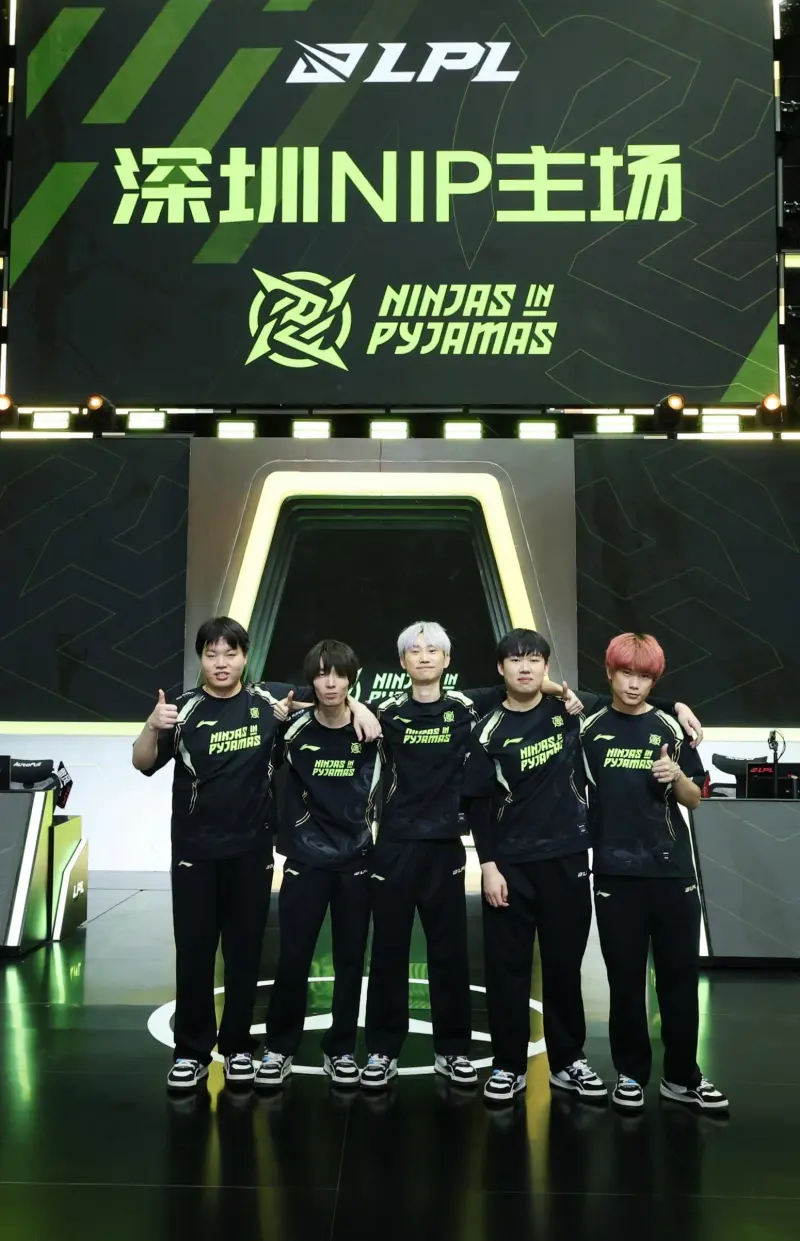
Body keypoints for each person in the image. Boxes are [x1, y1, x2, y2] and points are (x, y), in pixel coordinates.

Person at [132, 617, 377, 1092]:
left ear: (245, 657)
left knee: (244, 954)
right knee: (195, 953)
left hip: (252, 852)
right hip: (194, 853)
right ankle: (191, 1053)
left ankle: (238, 1048)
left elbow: (330, 692)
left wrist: (361, 708)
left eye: (230, 654)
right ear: (201, 659)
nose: (221, 663)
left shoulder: (271, 700)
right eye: (211, 654)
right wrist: (150, 725)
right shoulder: (181, 709)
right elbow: (143, 763)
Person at [462, 628, 705, 1104]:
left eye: (535, 660)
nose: (526, 668)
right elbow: (477, 803)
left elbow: (632, 699)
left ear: (546, 668)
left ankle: (568, 1061)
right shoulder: (489, 729)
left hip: (570, 859)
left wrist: (677, 706)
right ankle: (508, 1065)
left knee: (563, 969)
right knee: (508, 969)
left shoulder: (572, 713)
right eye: (516, 660)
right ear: (501, 668)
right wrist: (488, 864)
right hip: (511, 864)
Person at [581, 632, 727, 1111]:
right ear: (610, 673)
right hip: (614, 874)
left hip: (672, 872)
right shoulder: (587, 727)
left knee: (679, 980)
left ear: (654, 681)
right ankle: (630, 1074)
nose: (633, 684)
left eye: (644, 677)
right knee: (625, 982)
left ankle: (682, 1077)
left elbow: (695, 799)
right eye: (626, 673)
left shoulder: (670, 728)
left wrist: (677, 777)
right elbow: (544, 687)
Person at [256, 640, 382, 1089]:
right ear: (311, 680)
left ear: (352, 679)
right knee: (293, 955)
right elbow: (258, 694)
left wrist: (360, 708)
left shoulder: (372, 729)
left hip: (356, 859)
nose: (331, 683)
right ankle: (278, 1048)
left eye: (339, 675)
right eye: (322, 674)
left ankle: (341, 1049)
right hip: (305, 860)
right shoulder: (291, 728)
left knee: (350, 958)